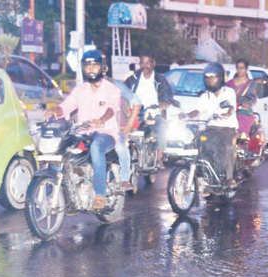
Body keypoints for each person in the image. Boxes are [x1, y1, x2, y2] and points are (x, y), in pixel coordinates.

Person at [45, 49, 121, 210]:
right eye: (88, 67)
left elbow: (112, 109)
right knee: (59, 150)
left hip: (105, 133)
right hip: (83, 132)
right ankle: (52, 192)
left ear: (102, 67)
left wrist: (101, 120)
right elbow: (68, 104)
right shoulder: (81, 89)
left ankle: (100, 194)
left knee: (96, 147)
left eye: (94, 66)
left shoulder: (112, 89)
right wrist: (56, 110)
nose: (91, 70)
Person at [185, 62, 238, 182]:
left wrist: (227, 113)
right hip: (211, 128)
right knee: (198, 144)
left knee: (228, 147)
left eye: (213, 78)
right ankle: (203, 174)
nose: (210, 81)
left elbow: (231, 106)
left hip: (227, 128)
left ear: (220, 78)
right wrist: (186, 115)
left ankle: (229, 178)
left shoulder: (229, 92)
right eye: (207, 78)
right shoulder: (204, 96)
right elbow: (197, 111)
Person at [124, 53, 173, 169]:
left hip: (153, 113)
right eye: (142, 63)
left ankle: (159, 157)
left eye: (148, 63)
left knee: (162, 127)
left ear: (153, 64)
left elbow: (167, 95)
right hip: (135, 113)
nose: (145, 66)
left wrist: (163, 103)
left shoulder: (160, 80)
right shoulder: (133, 79)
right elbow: (123, 91)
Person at [108, 70, 142, 191]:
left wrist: (128, 125)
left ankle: (124, 179)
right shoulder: (86, 87)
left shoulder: (116, 85)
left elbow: (137, 102)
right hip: (96, 129)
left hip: (117, 127)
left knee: (121, 147)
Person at [227, 59, 258, 137]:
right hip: (230, 110)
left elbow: (252, 97)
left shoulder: (251, 83)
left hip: (243, 111)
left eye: (242, 68)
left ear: (246, 69)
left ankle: (241, 144)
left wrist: (247, 103)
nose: (240, 70)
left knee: (242, 126)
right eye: (238, 68)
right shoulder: (230, 83)